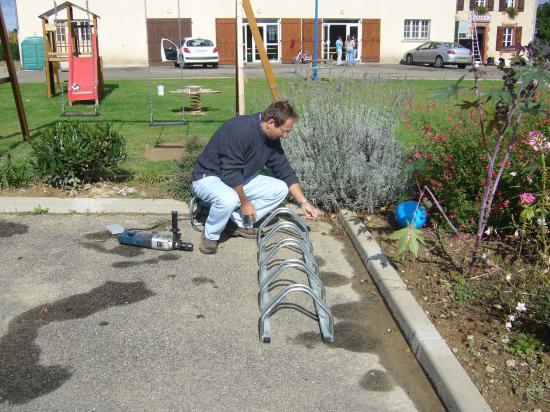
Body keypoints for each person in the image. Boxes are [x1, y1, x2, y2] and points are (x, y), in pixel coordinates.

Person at [191, 101, 319, 254]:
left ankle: (233, 223)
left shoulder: (272, 140)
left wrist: (303, 202)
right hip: (209, 177)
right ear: (271, 123)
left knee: (280, 189)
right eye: (285, 131)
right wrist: (245, 203)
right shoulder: (240, 129)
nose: (286, 136)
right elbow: (229, 173)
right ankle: (210, 235)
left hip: (238, 177)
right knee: (229, 199)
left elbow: (285, 171)